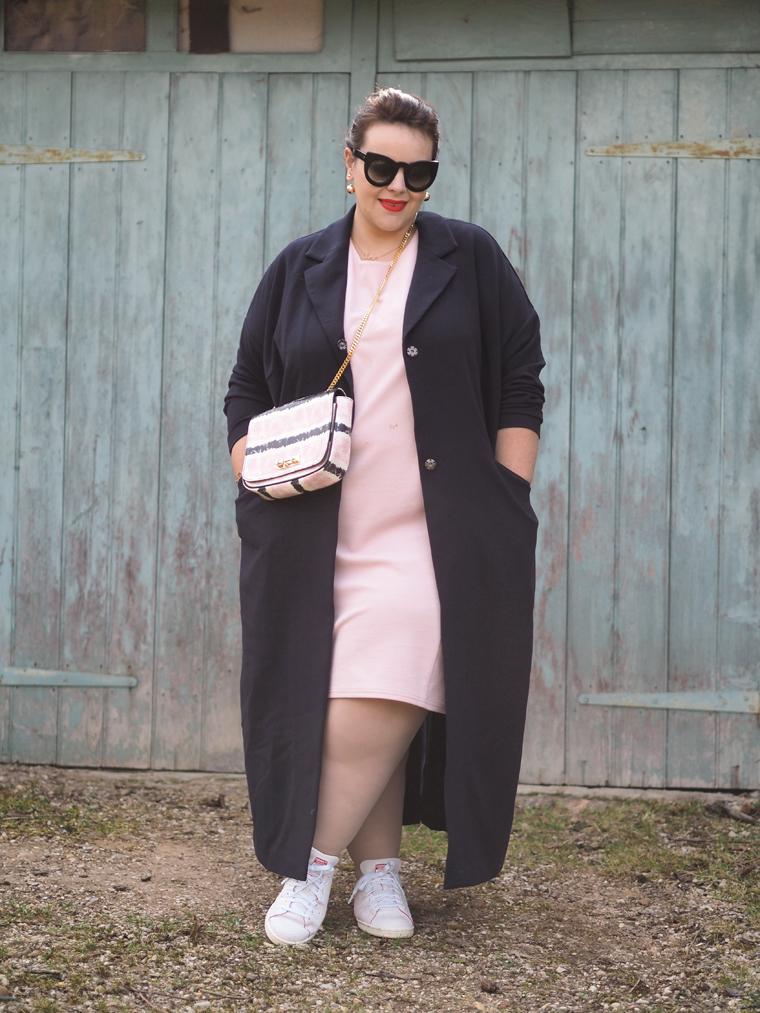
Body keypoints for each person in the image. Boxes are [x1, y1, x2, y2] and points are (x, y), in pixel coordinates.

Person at [225, 88, 545, 946]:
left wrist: (506, 494)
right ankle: (379, 871)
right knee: (346, 689)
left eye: (418, 172)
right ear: (350, 164)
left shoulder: (470, 258)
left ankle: (309, 866)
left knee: (390, 677)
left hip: (433, 532)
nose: (398, 185)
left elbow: (521, 377)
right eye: (381, 167)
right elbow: (246, 385)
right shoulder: (298, 267)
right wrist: (250, 470)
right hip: (314, 531)